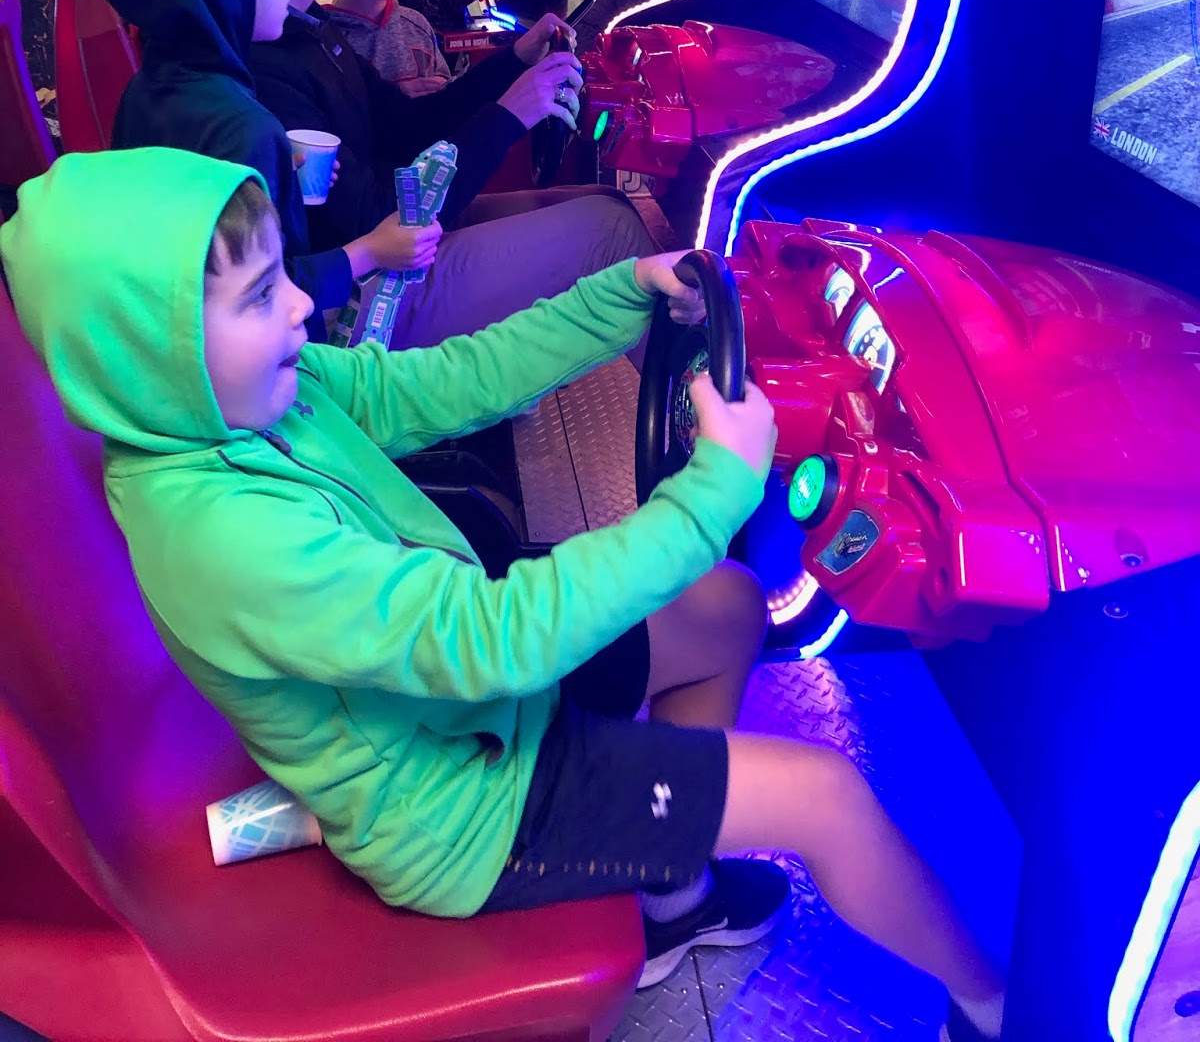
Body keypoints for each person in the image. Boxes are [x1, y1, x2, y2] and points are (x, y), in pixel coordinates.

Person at [1, 149, 1004, 1039]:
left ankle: (671, 893)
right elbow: (493, 640)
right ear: (154, 358)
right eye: (261, 296)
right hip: (466, 810)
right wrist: (713, 491)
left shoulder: (260, 401)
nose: (302, 304)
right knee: (829, 798)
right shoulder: (219, 536)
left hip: (475, 708)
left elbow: (444, 381)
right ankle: (1006, 1006)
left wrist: (623, 293)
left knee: (730, 605)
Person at [201, 0, 654, 349]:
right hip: (349, 301)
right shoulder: (266, 66)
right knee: (612, 230)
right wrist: (509, 117)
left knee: (607, 199)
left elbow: (411, 126)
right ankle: (698, 394)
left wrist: (513, 62)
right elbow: (371, 219)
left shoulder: (312, 31)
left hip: (396, 239)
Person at [87, 0, 438, 338]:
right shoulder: (246, 126)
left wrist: (282, 178)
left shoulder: (147, 90)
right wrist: (371, 250)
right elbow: (260, 292)